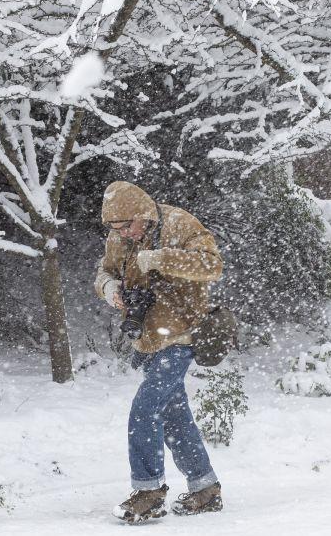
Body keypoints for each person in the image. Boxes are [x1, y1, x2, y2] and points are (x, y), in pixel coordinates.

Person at [94, 180, 225, 524]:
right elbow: (105, 270)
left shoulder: (180, 223)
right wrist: (110, 289)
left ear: (142, 215)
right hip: (148, 338)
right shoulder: (120, 237)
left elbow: (212, 265)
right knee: (173, 415)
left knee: (145, 408)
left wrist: (161, 260)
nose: (123, 234)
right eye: (116, 229)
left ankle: (149, 492)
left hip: (183, 333)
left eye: (127, 226)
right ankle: (205, 488)